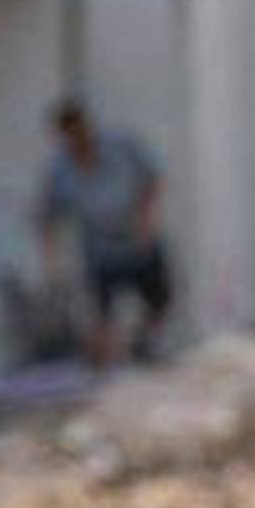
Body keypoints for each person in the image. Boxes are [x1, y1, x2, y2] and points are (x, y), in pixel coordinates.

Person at [41, 98, 171, 366]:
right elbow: (49, 215)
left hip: (137, 238)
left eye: (79, 132)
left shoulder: (121, 145)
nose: (76, 140)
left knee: (160, 298)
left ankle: (143, 342)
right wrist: (51, 259)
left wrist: (146, 216)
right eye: (69, 136)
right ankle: (103, 362)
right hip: (100, 249)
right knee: (102, 312)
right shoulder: (59, 169)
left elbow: (153, 177)